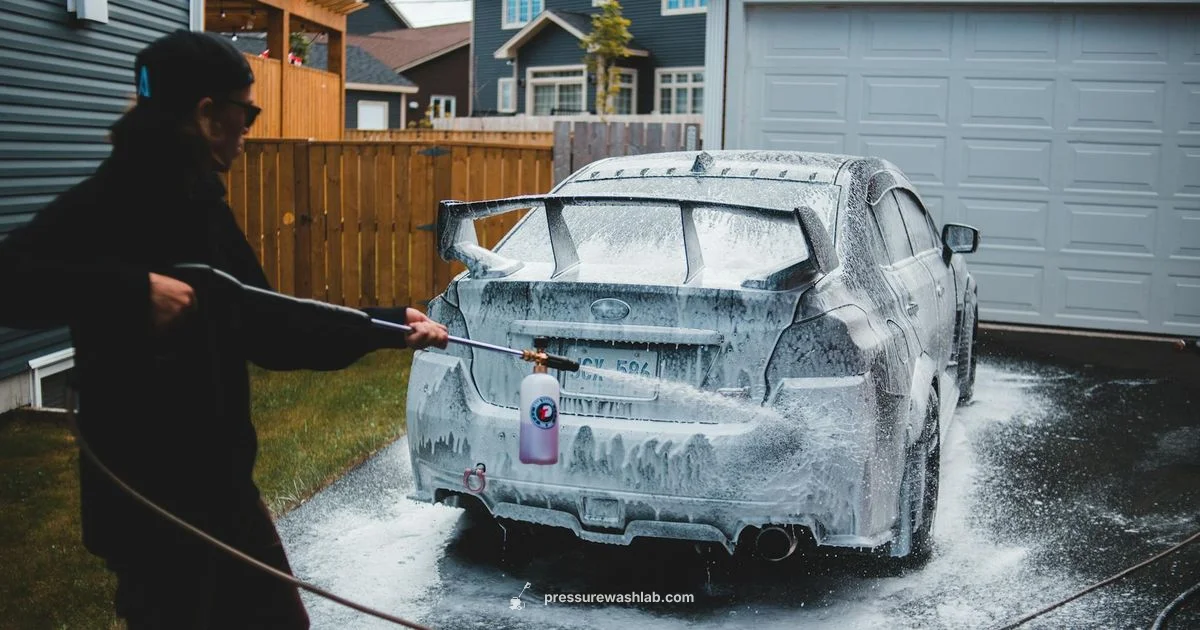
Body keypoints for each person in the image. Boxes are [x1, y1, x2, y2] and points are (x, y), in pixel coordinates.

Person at [0, 30, 447, 628]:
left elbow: (263, 324)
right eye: (248, 110)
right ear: (208, 114)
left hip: (218, 487)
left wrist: (386, 326)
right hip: (149, 503)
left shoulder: (198, 201)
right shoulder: (109, 200)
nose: (250, 126)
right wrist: (128, 291)